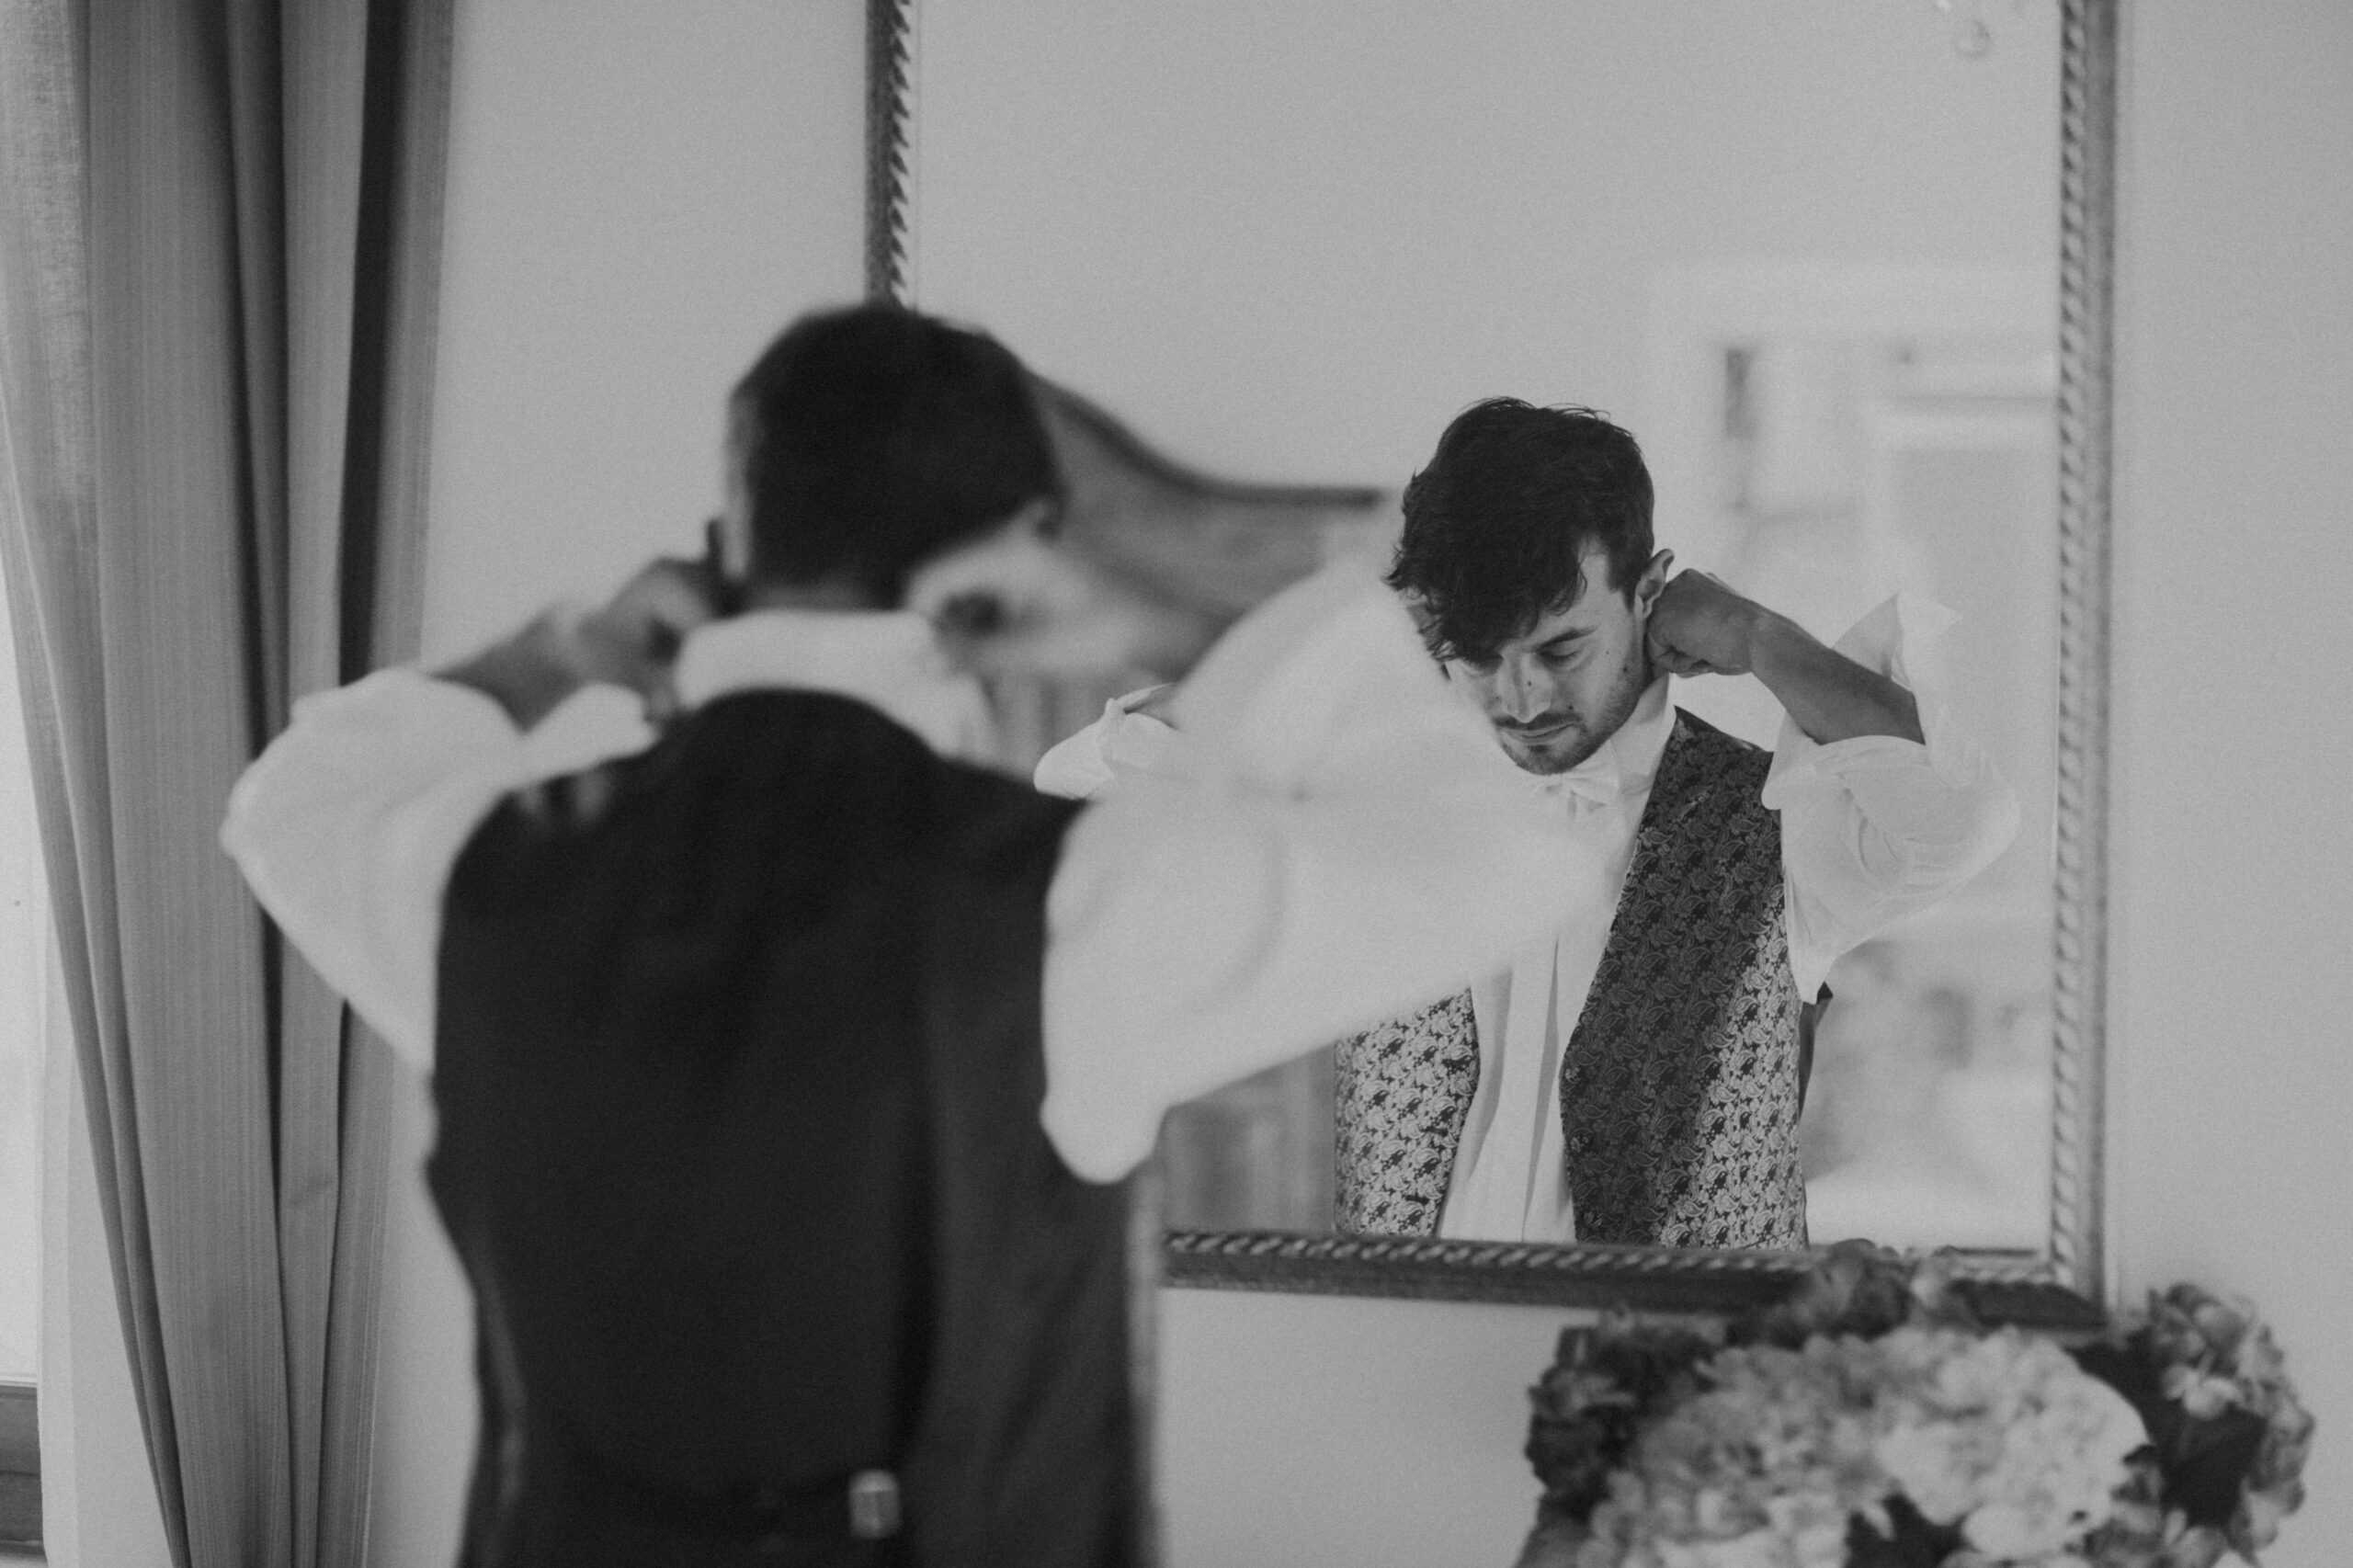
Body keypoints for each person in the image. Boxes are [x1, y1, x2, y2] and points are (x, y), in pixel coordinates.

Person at [221, 306, 1592, 1568]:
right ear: (1016, 553)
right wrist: (1167, 615)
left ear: (723, 543)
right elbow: (1506, 856)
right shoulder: (1067, 907)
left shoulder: (481, 873)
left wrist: (554, 651)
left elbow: (287, 805)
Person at [1038, 399, 2019, 1252]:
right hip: (1399, 1359)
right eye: (1480, 655)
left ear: (1648, 595)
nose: (1521, 698)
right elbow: (1084, 790)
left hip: (1681, 1377)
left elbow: (1958, 819)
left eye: (1561, 648)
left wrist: (1762, 638)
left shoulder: (1775, 823)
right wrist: (1342, 643)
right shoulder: (1377, 809)